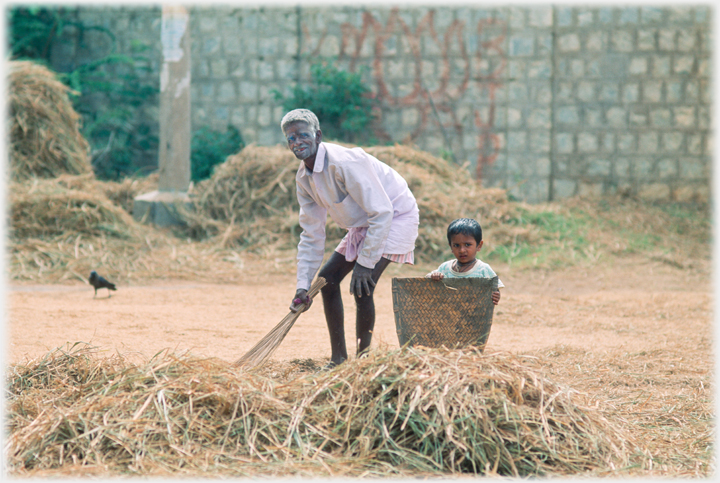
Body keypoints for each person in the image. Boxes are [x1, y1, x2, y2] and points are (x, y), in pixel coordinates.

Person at [281, 108, 419, 368]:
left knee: (362, 285)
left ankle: (363, 363)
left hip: (395, 215)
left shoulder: (344, 163)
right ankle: (338, 360)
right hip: (364, 224)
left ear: (318, 135)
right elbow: (311, 234)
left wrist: (365, 263)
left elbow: (382, 211)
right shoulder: (304, 179)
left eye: (302, 135)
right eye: (290, 139)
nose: (296, 142)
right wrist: (302, 285)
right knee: (327, 282)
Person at [427, 218, 503, 305]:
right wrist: (434, 277)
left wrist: (496, 296)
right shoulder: (445, 268)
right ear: (451, 247)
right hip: (449, 315)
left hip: (475, 316)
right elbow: (426, 282)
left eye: (467, 245)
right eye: (456, 245)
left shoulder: (483, 269)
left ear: (479, 245)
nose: (462, 250)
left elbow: (495, 289)